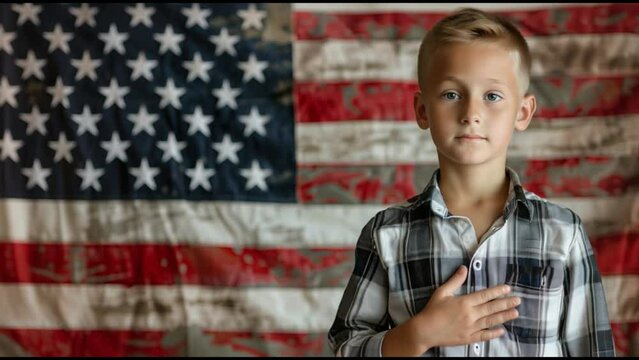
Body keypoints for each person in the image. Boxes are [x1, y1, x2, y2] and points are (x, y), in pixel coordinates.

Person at [327, 7, 615, 357]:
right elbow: (344, 346)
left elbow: (593, 350)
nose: (471, 114)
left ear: (522, 113)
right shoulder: (387, 234)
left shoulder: (563, 233)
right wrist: (418, 334)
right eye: (451, 94)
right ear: (422, 111)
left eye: (492, 96)